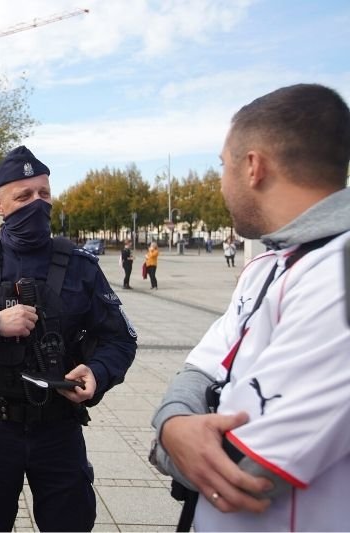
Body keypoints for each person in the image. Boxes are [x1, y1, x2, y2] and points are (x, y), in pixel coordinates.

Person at [150, 83, 350, 530]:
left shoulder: (339, 272)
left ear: (254, 166)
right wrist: (174, 424)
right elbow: (201, 370)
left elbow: (245, 469)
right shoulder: (269, 265)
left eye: (223, 166)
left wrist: (166, 439)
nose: (222, 182)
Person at [0, 145, 137, 532]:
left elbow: (120, 339)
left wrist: (97, 373)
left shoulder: (79, 265)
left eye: (44, 194)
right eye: (23, 196)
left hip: (59, 429)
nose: (36, 204)